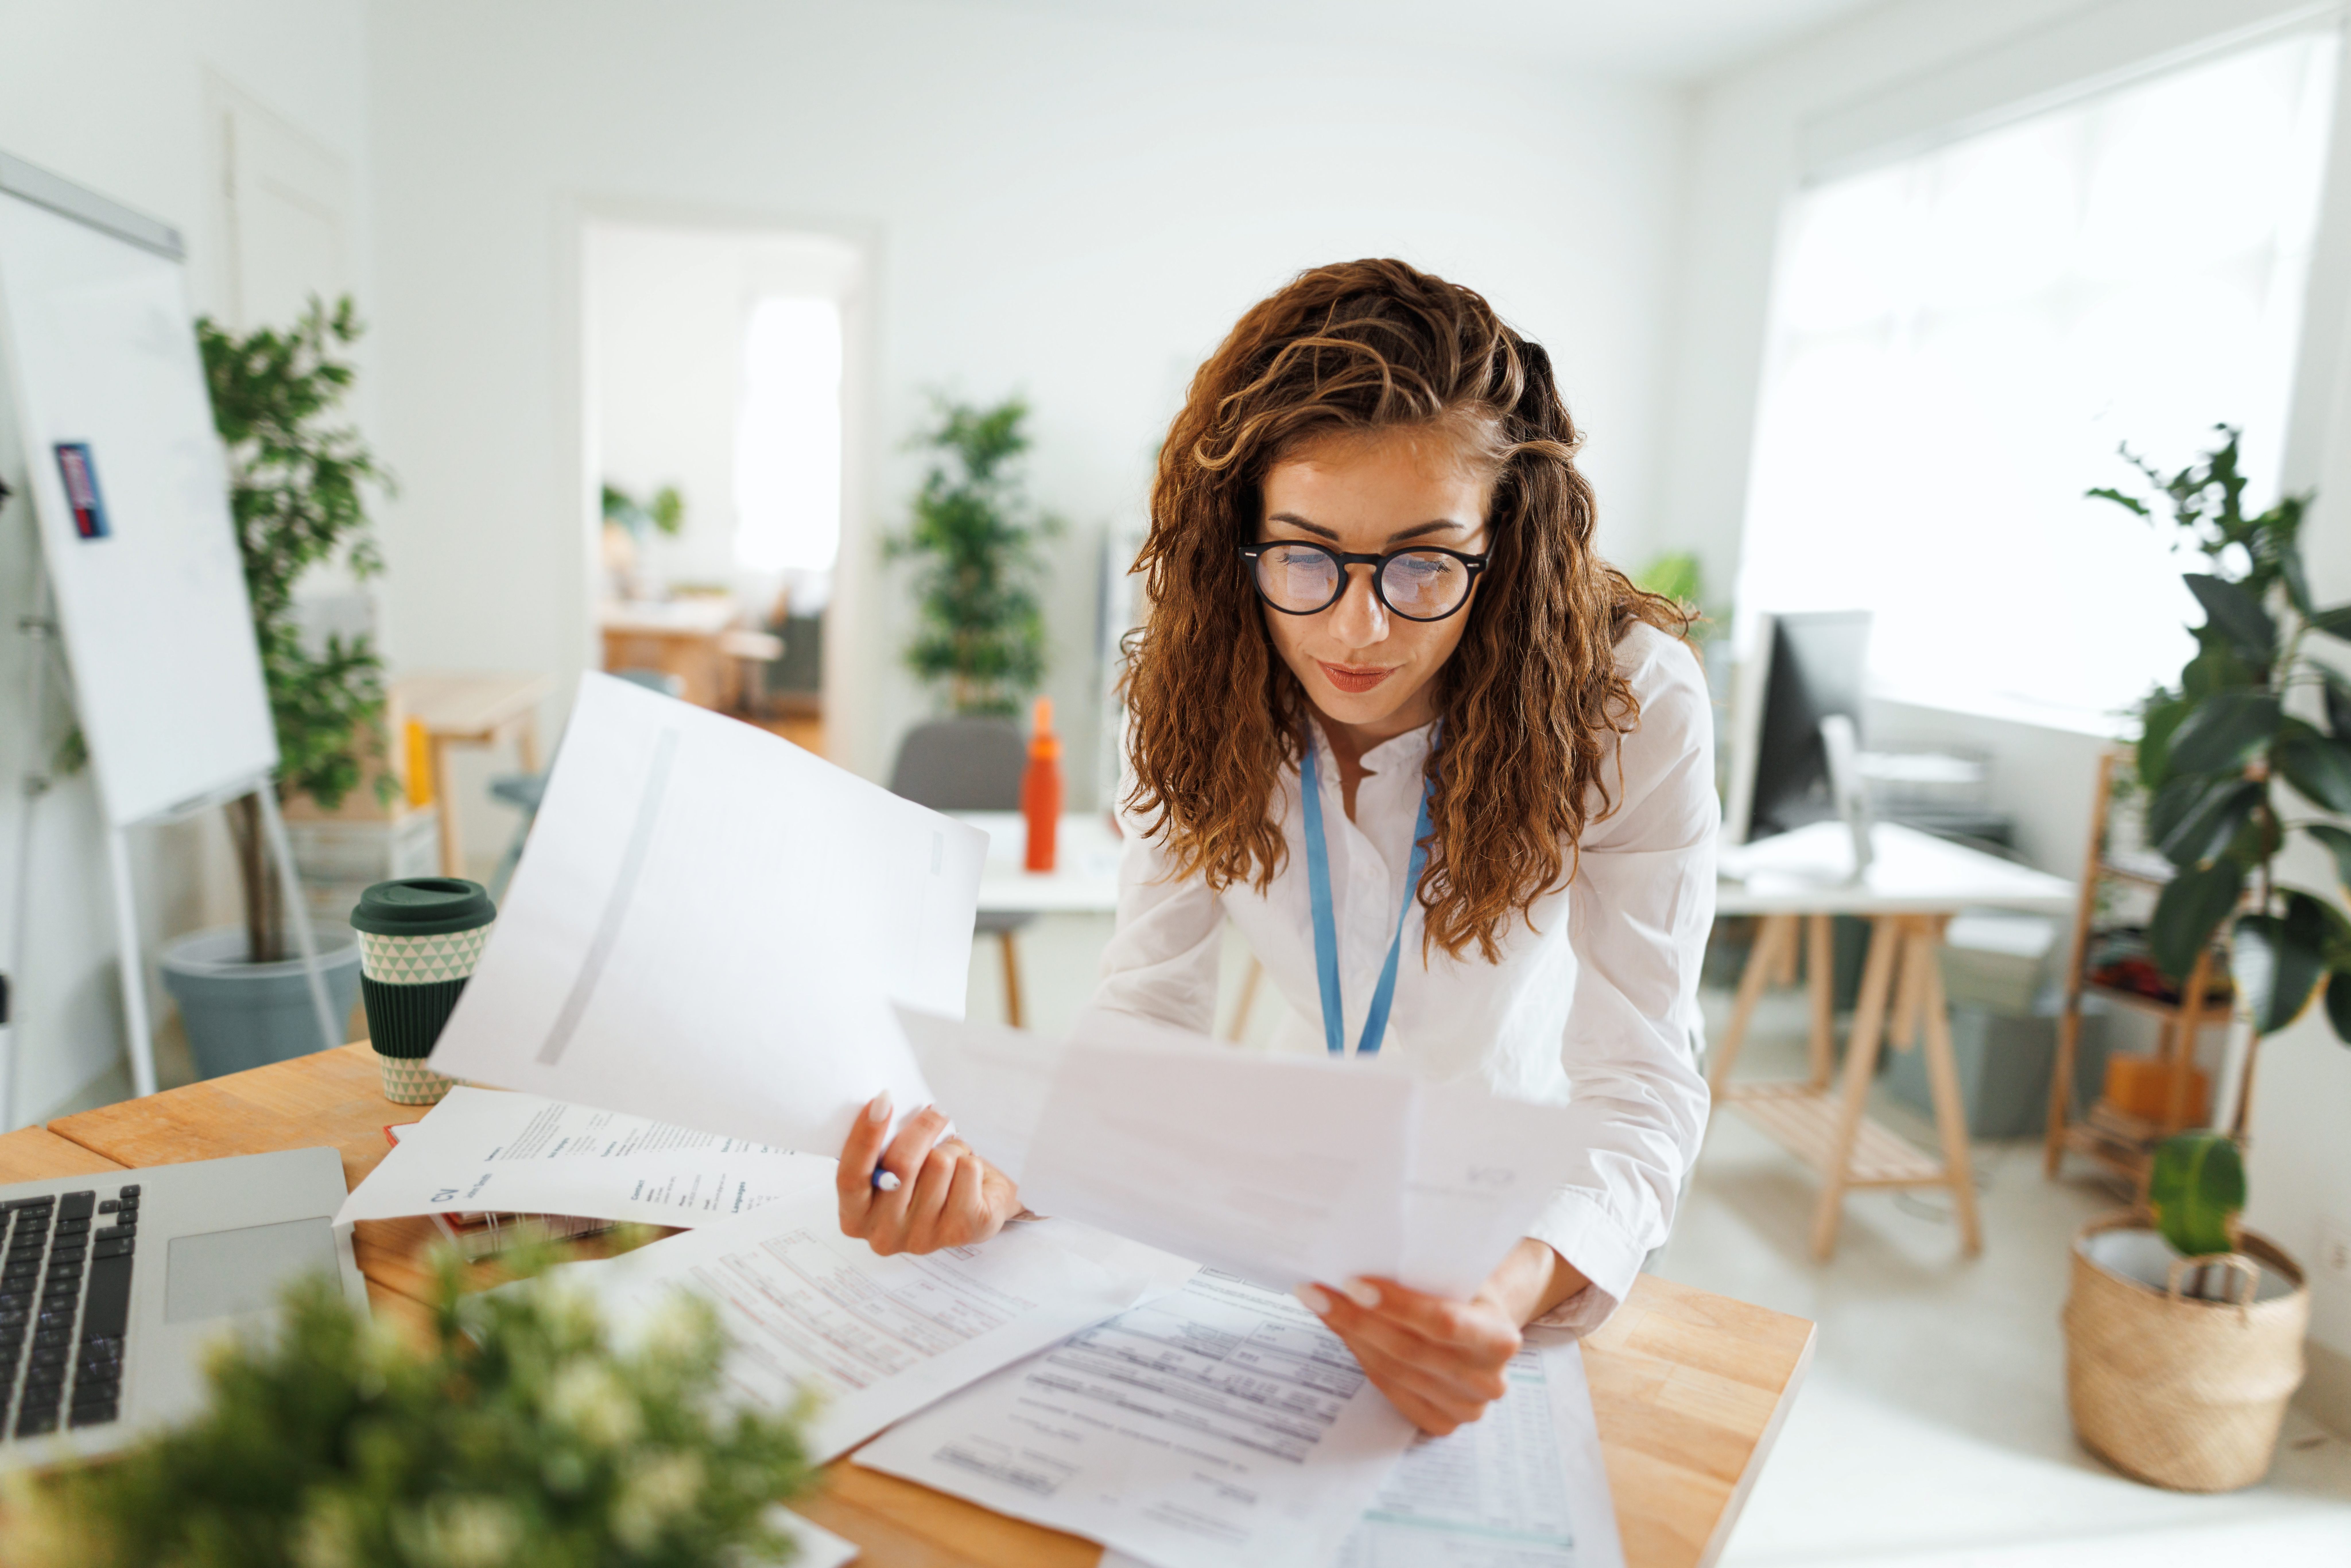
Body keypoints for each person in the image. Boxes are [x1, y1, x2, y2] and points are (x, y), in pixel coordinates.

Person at [835, 258, 1714, 1435]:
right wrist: (1012, 1174)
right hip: (1295, 1198)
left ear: (1504, 542)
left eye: (1425, 562)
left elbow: (1640, 1082)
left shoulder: (1630, 703)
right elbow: (1148, 1008)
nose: (1358, 629)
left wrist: (1501, 1297)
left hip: (1531, 1206)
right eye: (1303, 555)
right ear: (1235, 535)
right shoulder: (1184, 694)